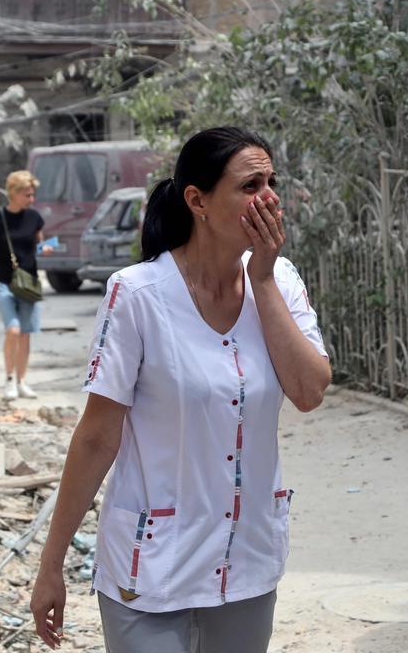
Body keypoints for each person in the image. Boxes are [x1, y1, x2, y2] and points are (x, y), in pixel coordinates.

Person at [30, 127, 331, 652]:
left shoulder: (278, 280)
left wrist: (260, 281)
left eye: (271, 181)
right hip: (151, 567)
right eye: (250, 184)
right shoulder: (137, 294)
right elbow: (98, 438)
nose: (270, 197)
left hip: (248, 562)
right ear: (197, 200)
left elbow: (309, 391)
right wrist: (51, 564)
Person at [0, 170, 53, 400]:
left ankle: (21, 381)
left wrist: (45, 248)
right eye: (27, 194)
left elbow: (38, 244)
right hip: (4, 283)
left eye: (32, 194)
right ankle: (8, 380)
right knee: (13, 329)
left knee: (25, 334)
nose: (31, 199)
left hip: (28, 283)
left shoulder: (35, 218)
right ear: (14, 193)